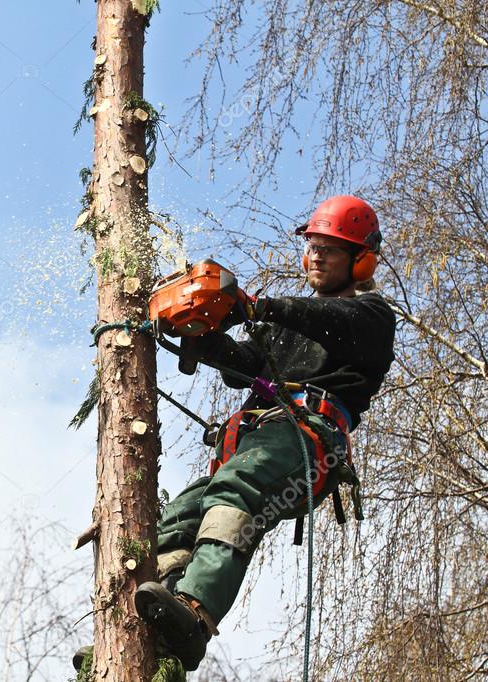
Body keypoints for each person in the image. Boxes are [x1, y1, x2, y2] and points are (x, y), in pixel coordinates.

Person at [137, 195, 396, 670]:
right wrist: (204, 337)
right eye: (313, 246)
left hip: (308, 442)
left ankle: (196, 612)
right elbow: (243, 367)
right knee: (179, 517)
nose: (316, 256)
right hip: (257, 440)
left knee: (237, 490)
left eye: (330, 249)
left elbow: (330, 321)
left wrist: (257, 307)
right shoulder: (285, 323)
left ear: (361, 261)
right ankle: (150, 634)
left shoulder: (371, 317)